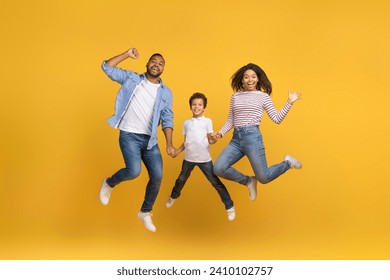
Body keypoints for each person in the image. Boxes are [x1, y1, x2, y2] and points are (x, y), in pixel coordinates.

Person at [99, 47, 176, 232]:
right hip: (129, 135)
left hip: (150, 140)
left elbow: (167, 118)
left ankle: (145, 212)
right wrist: (126, 54)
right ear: (147, 64)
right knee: (133, 171)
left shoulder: (166, 93)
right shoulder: (132, 78)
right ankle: (109, 183)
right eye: (153, 61)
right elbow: (107, 67)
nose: (156, 65)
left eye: (160, 63)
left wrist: (169, 144)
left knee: (157, 176)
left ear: (163, 69)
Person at [211, 63, 302, 201]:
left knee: (264, 178)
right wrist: (219, 134)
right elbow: (231, 120)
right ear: (242, 80)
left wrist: (289, 102)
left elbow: (277, 119)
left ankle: (288, 163)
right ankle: (248, 181)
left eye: (253, 77)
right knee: (218, 168)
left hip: (253, 138)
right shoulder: (235, 97)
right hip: (236, 139)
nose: (250, 80)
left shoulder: (263, 97)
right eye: (246, 77)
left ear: (258, 79)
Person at [165, 93, 236, 221]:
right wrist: (177, 151)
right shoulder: (186, 123)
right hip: (188, 159)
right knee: (181, 179)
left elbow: (210, 139)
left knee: (216, 183)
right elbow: (186, 142)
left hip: (204, 160)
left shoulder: (207, 121)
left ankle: (229, 207)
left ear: (204, 108)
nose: (196, 107)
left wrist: (214, 139)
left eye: (199, 105)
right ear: (190, 106)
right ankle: (173, 197)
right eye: (194, 104)